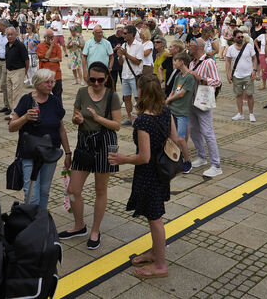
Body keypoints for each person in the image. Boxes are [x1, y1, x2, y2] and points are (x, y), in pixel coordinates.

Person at [108, 75, 175, 279]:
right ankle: (155, 252)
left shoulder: (144, 121)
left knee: (155, 218)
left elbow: (143, 157)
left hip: (149, 174)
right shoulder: (166, 112)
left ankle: (161, 265)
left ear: (142, 92)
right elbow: (175, 139)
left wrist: (123, 159)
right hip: (162, 171)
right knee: (153, 214)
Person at [61, 62, 122, 249]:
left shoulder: (112, 96)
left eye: (100, 80)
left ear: (106, 78)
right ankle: (79, 225)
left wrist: (98, 118)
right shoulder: (81, 93)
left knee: (100, 190)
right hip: (85, 142)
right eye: (92, 79)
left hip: (105, 144)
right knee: (73, 189)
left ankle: (95, 230)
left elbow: (117, 125)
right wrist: (76, 119)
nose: (95, 83)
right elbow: (75, 116)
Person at [9, 68, 71, 208]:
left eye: (52, 82)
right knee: (31, 194)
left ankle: (40, 221)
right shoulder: (26, 100)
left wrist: (67, 153)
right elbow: (11, 127)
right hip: (30, 154)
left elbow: (61, 129)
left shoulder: (55, 101)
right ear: (37, 84)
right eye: (47, 82)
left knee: (44, 191)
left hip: (50, 153)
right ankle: (31, 222)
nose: (51, 85)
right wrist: (25, 117)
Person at [187, 38, 222, 177]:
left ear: (198, 47)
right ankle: (201, 157)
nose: (188, 47)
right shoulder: (191, 62)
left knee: (207, 132)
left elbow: (217, 81)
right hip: (191, 101)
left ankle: (216, 165)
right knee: (194, 130)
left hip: (203, 102)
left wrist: (200, 78)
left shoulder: (209, 62)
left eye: (191, 45)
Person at [165, 52, 193, 172]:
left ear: (182, 62)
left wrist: (169, 99)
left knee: (181, 139)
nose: (174, 63)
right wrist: (168, 100)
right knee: (174, 137)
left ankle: (187, 161)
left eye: (175, 61)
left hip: (182, 111)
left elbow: (182, 93)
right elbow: (173, 90)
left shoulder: (189, 77)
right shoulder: (178, 76)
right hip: (173, 109)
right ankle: (176, 159)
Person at [225, 31, 259, 122]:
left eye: (241, 37)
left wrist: (254, 70)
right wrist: (228, 74)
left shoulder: (249, 46)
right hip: (236, 75)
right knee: (238, 95)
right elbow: (228, 61)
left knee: (249, 94)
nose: (240, 38)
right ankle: (240, 113)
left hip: (248, 74)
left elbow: (254, 58)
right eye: (238, 37)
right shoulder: (231, 48)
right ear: (234, 38)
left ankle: (251, 113)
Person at [116, 25, 144, 126]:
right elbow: (120, 63)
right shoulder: (124, 46)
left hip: (135, 75)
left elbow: (138, 61)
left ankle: (141, 118)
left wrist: (126, 54)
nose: (123, 35)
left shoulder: (139, 45)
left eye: (125, 33)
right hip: (125, 75)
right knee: (126, 98)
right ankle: (130, 118)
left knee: (138, 98)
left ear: (132, 34)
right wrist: (119, 56)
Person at [4, 27, 29, 120]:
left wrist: (25, 71)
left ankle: (15, 115)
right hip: (9, 71)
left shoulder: (20, 45)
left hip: (18, 71)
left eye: (11, 34)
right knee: (9, 93)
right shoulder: (7, 45)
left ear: (16, 35)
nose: (10, 36)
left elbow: (26, 60)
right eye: (8, 35)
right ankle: (12, 112)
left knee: (16, 94)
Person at [36, 29, 63, 101]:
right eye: (49, 37)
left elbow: (59, 59)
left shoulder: (57, 46)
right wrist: (51, 46)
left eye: (52, 37)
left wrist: (48, 60)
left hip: (56, 75)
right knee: (44, 96)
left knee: (58, 96)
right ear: (45, 37)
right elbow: (46, 56)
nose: (51, 39)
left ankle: (58, 111)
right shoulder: (40, 46)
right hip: (44, 76)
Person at [0, 19, 11, 115]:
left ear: (4, 26)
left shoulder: (9, 35)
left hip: (6, 61)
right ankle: (6, 105)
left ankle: (10, 106)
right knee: (3, 85)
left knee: (4, 84)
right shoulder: (0, 35)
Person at [107, 25, 126, 91]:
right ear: (118, 31)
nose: (123, 33)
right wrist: (114, 49)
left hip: (122, 63)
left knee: (124, 83)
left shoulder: (124, 39)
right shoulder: (110, 38)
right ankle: (113, 97)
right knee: (113, 82)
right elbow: (107, 51)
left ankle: (124, 99)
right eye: (122, 32)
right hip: (113, 63)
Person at [255, 26, 267, 93]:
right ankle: (264, 84)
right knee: (264, 70)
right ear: (266, 31)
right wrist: (258, 49)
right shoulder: (262, 36)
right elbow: (255, 41)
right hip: (262, 54)